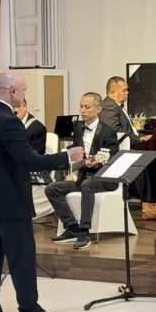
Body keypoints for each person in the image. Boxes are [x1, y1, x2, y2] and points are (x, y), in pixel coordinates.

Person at [0, 72, 82, 312]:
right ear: (12, 91)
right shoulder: (8, 121)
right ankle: (30, 311)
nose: (24, 95)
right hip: (9, 199)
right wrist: (67, 157)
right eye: (23, 90)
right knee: (21, 255)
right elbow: (29, 160)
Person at [45, 92, 120, 250]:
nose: (83, 110)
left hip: (104, 178)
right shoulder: (78, 128)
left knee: (87, 185)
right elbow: (77, 152)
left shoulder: (108, 131)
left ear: (98, 109)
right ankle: (72, 227)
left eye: (87, 107)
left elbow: (113, 157)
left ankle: (85, 231)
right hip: (84, 176)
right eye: (81, 106)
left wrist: (98, 161)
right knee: (52, 189)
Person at [101, 76, 156, 221]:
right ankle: (150, 207)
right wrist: (139, 139)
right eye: (124, 90)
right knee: (150, 165)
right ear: (113, 91)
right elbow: (115, 133)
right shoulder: (109, 107)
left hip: (129, 146)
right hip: (118, 153)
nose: (127, 93)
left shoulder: (117, 106)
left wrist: (141, 136)